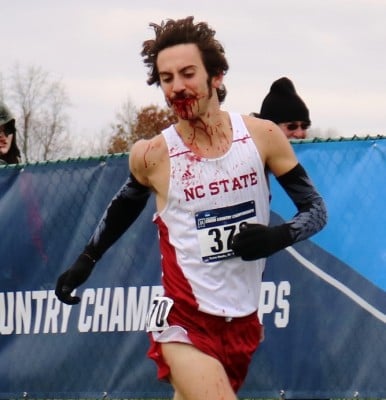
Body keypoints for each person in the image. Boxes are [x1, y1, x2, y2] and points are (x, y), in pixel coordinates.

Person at [55, 16, 327, 400]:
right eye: (167, 79)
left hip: (242, 322)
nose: (177, 86)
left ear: (215, 76)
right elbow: (122, 209)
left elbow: (315, 210)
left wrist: (275, 237)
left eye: (187, 74)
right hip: (181, 320)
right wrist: (87, 258)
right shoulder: (153, 155)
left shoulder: (262, 136)